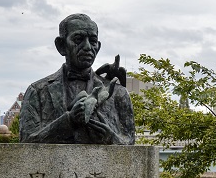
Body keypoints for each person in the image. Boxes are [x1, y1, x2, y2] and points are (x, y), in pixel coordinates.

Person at [19, 14, 135, 145]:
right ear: (61, 46)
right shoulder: (37, 92)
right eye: (78, 39)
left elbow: (130, 143)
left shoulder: (118, 93)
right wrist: (68, 121)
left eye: (92, 41)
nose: (87, 47)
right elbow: (26, 143)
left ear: (98, 46)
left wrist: (110, 138)